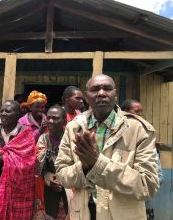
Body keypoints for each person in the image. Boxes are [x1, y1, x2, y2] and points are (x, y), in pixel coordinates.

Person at [55, 74, 159, 220]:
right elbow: (61, 174)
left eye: (107, 89)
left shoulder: (137, 129)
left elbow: (147, 185)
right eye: (95, 89)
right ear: (86, 96)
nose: (102, 93)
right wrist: (84, 168)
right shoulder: (74, 127)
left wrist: (98, 163)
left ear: (115, 95)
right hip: (83, 214)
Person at [0, 100, 36, 220]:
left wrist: (5, 160)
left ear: (18, 114)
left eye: (8, 111)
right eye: (1, 111)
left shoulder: (25, 132)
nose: (3, 114)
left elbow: (28, 162)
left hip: (19, 186)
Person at [33, 105, 71, 220]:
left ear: (64, 121)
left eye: (55, 118)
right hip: (47, 189)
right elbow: (38, 168)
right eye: (48, 117)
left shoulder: (71, 139)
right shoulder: (43, 139)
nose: (50, 121)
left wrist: (62, 179)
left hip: (69, 187)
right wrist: (49, 179)